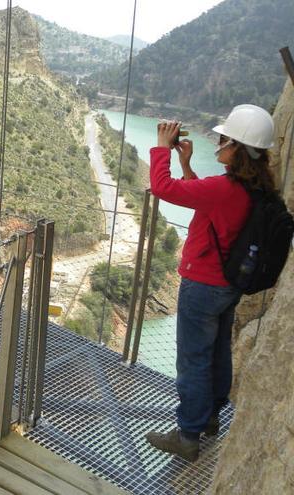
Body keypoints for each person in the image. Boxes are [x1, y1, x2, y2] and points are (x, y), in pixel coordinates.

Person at [145, 104, 276, 462]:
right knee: (217, 354)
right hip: (230, 285)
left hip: (203, 285)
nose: (217, 144)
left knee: (193, 360)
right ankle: (211, 418)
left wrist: (161, 146)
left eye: (223, 140)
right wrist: (187, 163)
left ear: (237, 148)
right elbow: (201, 198)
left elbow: (162, 187)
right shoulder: (254, 188)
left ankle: (187, 434)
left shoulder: (225, 188)